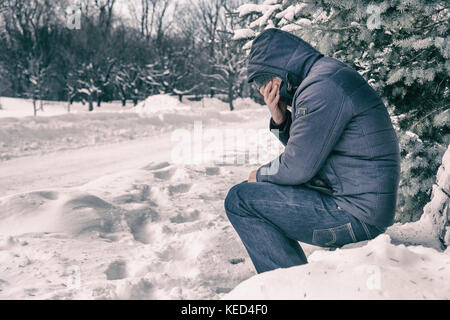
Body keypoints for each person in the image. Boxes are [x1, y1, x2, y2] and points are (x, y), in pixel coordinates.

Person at [224, 28, 401, 274]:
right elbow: (308, 149)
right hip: (360, 204)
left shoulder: (321, 87)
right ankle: (292, 279)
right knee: (259, 190)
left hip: (356, 215)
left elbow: (297, 167)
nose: (265, 90)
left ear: (277, 73)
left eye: (263, 82)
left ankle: (290, 289)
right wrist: (280, 120)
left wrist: (259, 174)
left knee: (240, 199)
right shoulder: (325, 77)